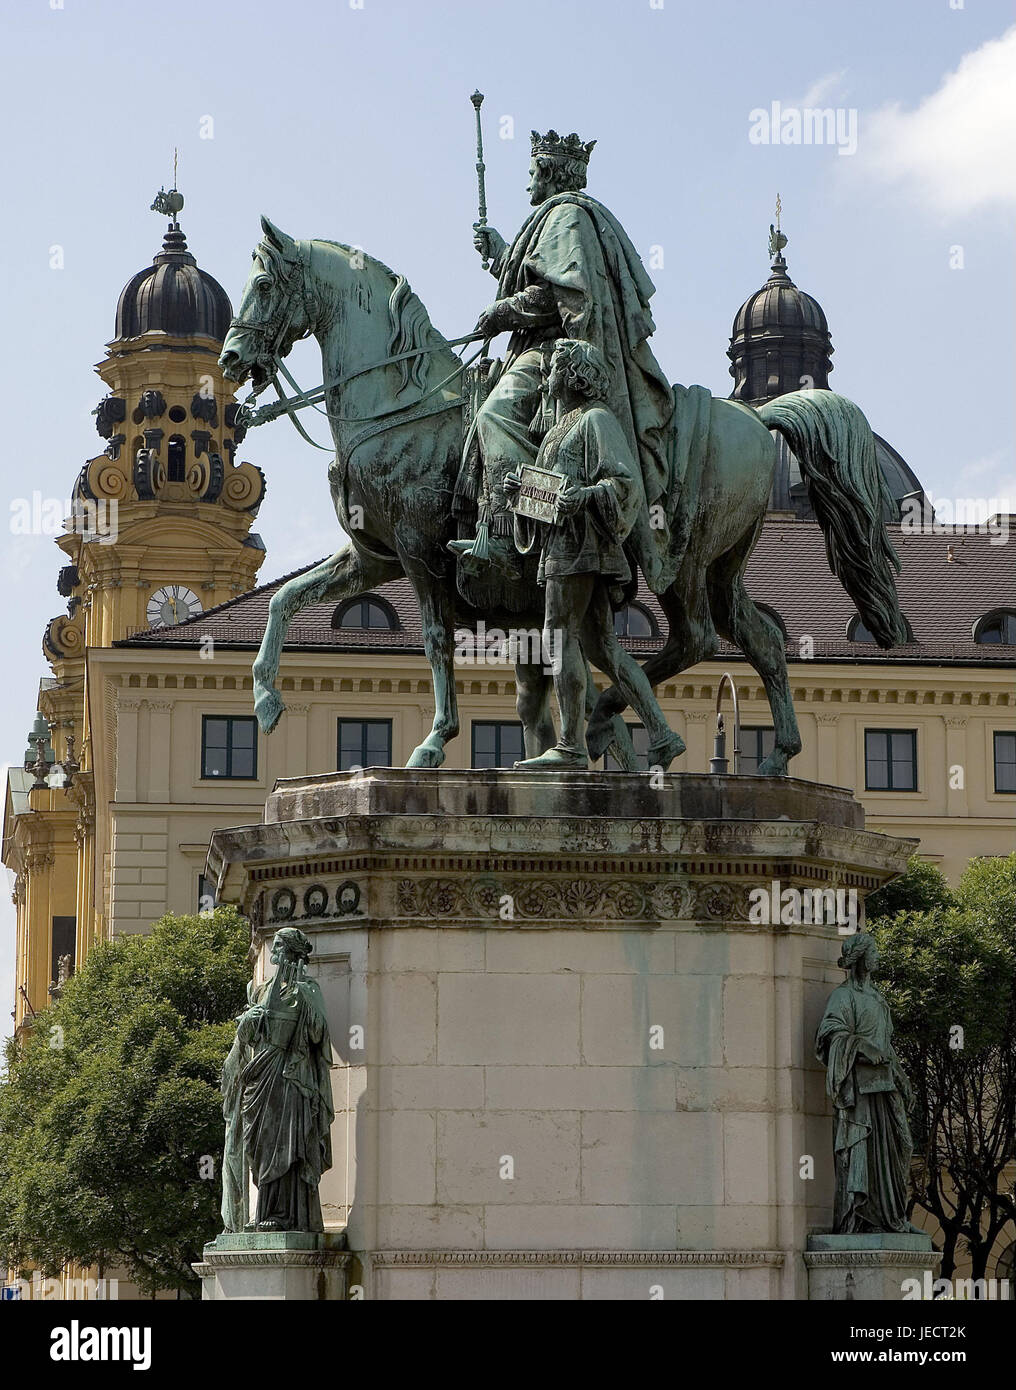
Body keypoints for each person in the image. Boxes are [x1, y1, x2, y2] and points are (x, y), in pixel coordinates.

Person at [449, 129, 674, 589]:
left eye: (532, 172)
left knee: (492, 418)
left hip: (555, 350)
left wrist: (501, 311)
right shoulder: (561, 218)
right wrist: (499, 257)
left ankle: (522, 521)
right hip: (539, 345)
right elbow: (547, 274)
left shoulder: (566, 215)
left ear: (549, 173)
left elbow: (561, 295)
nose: (528, 182)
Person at [505, 338, 684, 770]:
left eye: (552, 369)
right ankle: (662, 734)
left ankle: (568, 745)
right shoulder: (556, 431)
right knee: (604, 649)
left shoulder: (596, 420)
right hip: (562, 544)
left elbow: (625, 485)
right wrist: (520, 498)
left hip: (580, 547)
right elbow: (548, 500)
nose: (546, 378)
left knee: (558, 635)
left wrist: (581, 498)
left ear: (572, 374)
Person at [221, 927, 334, 1233]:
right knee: (259, 1146)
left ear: (295, 954)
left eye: (283, 948)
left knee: (288, 1145)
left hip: (290, 1076)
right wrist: (249, 1023)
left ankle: (287, 1215)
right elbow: (246, 1038)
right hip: (260, 1076)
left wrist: (303, 1000)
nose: (276, 954)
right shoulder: (259, 990)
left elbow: (318, 1035)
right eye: (276, 948)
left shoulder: (307, 989)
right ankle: (264, 1212)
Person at [815, 931, 920, 1235]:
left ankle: (893, 1216)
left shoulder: (878, 998)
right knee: (863, 1149)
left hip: (886, 1086)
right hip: (859, 1091)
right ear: (860, 959)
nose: (877, 957)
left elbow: (886, 1046)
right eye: (873, 952)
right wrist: (861, 1045)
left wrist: (900, 1075)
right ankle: (864, 1219)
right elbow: (831, 1036)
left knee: (902, 1144)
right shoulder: (843, 996)